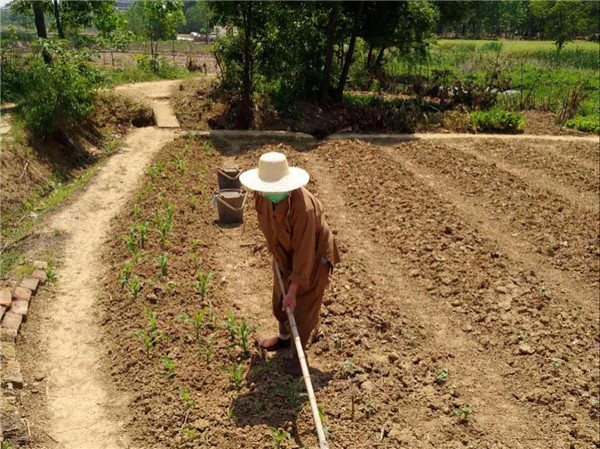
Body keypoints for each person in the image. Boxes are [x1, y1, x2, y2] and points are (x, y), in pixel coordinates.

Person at [240, 152, 340, 375]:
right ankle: (284, 339)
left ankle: (299, 353)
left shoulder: (304, 208)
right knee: (280, 299)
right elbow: (269, 226)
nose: (268, 192)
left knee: (302, 305)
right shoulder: (261, 195)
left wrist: (294, 290)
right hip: (284, 251)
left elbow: (305, 252)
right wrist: (279, 258)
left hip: (314, 257)